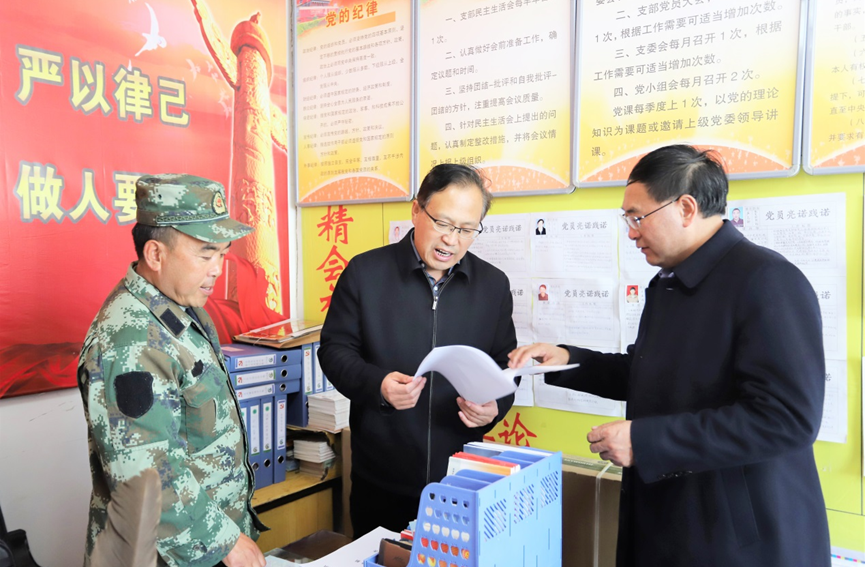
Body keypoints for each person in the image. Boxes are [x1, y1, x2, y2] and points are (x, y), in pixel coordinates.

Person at [509, 145, 830, 567]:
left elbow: (786, 419)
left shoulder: (767, 280)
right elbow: (648, 373)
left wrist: (645, 442)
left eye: (637, 217)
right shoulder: (670, 283)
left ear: (685, 208)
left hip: (735, 539)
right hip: (674, 519)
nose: (631, 233)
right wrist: (568, 359)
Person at [78, 174, 267, 567]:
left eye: (222, 254)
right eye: (206, 254)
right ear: (155, 254)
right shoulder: (130, 340)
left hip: (202, 544)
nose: (218, 269)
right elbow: (145, 474)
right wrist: (223, 542)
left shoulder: (179, 307)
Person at [318, 163, 517, 538]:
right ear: (415, 210)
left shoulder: (492, 285)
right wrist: (377, 385)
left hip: (461, 481)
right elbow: (334, 350)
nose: (451, 240)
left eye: (466, 229)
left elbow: (506, 365)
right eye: (443, 223)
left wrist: (495, 407)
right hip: (381, 479)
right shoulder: (365, 273)